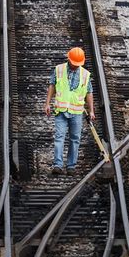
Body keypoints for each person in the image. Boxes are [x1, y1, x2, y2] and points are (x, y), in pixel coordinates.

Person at [43, 47, 95, 175]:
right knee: (59, 137)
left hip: (76, 112)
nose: (76, 66)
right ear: (69, 59)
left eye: (78, 64)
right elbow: (52, 85)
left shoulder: (85, 74)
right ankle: (58, 165)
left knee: (75, 139)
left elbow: (89, 93)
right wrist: (47, 103)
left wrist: (91, 110)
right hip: (61, 111)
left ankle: (71, 166)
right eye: (74, 63)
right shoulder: (59, 70)